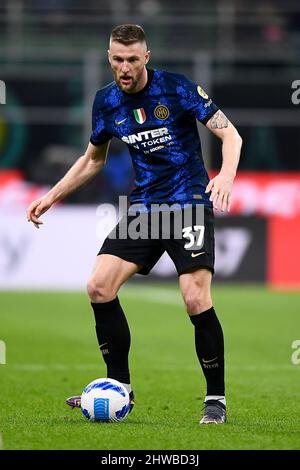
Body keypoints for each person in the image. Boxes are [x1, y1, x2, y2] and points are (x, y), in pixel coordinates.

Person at [27, 24, 242, 424]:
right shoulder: (106, 102)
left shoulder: (176, 88)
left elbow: (231, 135)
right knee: (98, 286)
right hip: (145, 208)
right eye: (117, 60)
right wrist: (50, 196)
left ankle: (216, 399)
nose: (124, 68)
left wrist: (226, 175)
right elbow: (94, 159)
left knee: (195, 297)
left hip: (189, 203)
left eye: (131, 59)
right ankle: (119, 386)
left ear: (146, 57)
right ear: (110, 58)